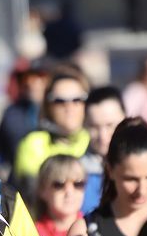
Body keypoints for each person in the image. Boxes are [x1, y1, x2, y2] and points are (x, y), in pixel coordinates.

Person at [12, 71, 92, 201]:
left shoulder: (96, 140)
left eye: (77, 99)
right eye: (59, 101)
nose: (69, 107)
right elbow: (31, 197)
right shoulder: (33, 144)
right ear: (48, 106)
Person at [81, 86, 126, 213]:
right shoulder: (76, 175)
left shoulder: (146, 166)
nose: (103, 136)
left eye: (110, 125)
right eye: (94, 127)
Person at [0, 63, 48, 166]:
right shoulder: (12, 113)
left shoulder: (58, 108)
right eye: (27, 79)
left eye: (40, 78)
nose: (33, 84)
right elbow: (0, 146)